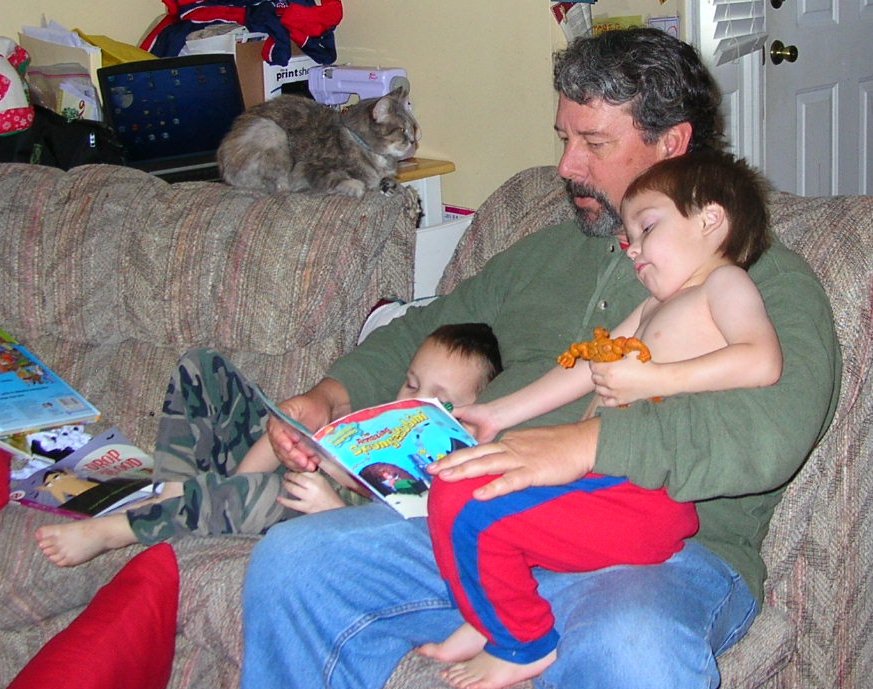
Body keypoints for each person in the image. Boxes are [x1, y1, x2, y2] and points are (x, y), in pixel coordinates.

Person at [240, 27, 839, 689]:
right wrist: (335, 392)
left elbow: (771, 431)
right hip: (493, 527)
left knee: (633, 644)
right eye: (563, 138)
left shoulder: (760, 278)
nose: (565, 167)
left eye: (593, 143)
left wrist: (583, 443)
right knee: (295, 561)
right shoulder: (542, 254)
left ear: (671, 144)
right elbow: (428, 327)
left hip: (655, 552)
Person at [420, 151, 782, 689]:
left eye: (647, 227)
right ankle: (489, 616)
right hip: (600, 485)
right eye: (629, 235)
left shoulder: (725, 285)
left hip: (641, 497)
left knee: (467, 505)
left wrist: (657, 380)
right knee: (456, 481)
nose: (631, 247)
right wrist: (495, 414)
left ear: (710, 219)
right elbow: (589, 368)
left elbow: (762, 360)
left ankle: (522, 642)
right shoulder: (657, 304)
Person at [33, 322, 502, 567]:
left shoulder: (448, 473)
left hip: (322, 511)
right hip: (270, 480)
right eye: (410, 385)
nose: (413, 404)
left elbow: (405, 537)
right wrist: (279, 439)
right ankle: (175, 497)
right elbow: (252, 475)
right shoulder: (375, 425)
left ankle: (118, 530)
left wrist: (331, 511)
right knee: (202, 366)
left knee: (270, 494)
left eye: (438, 402)